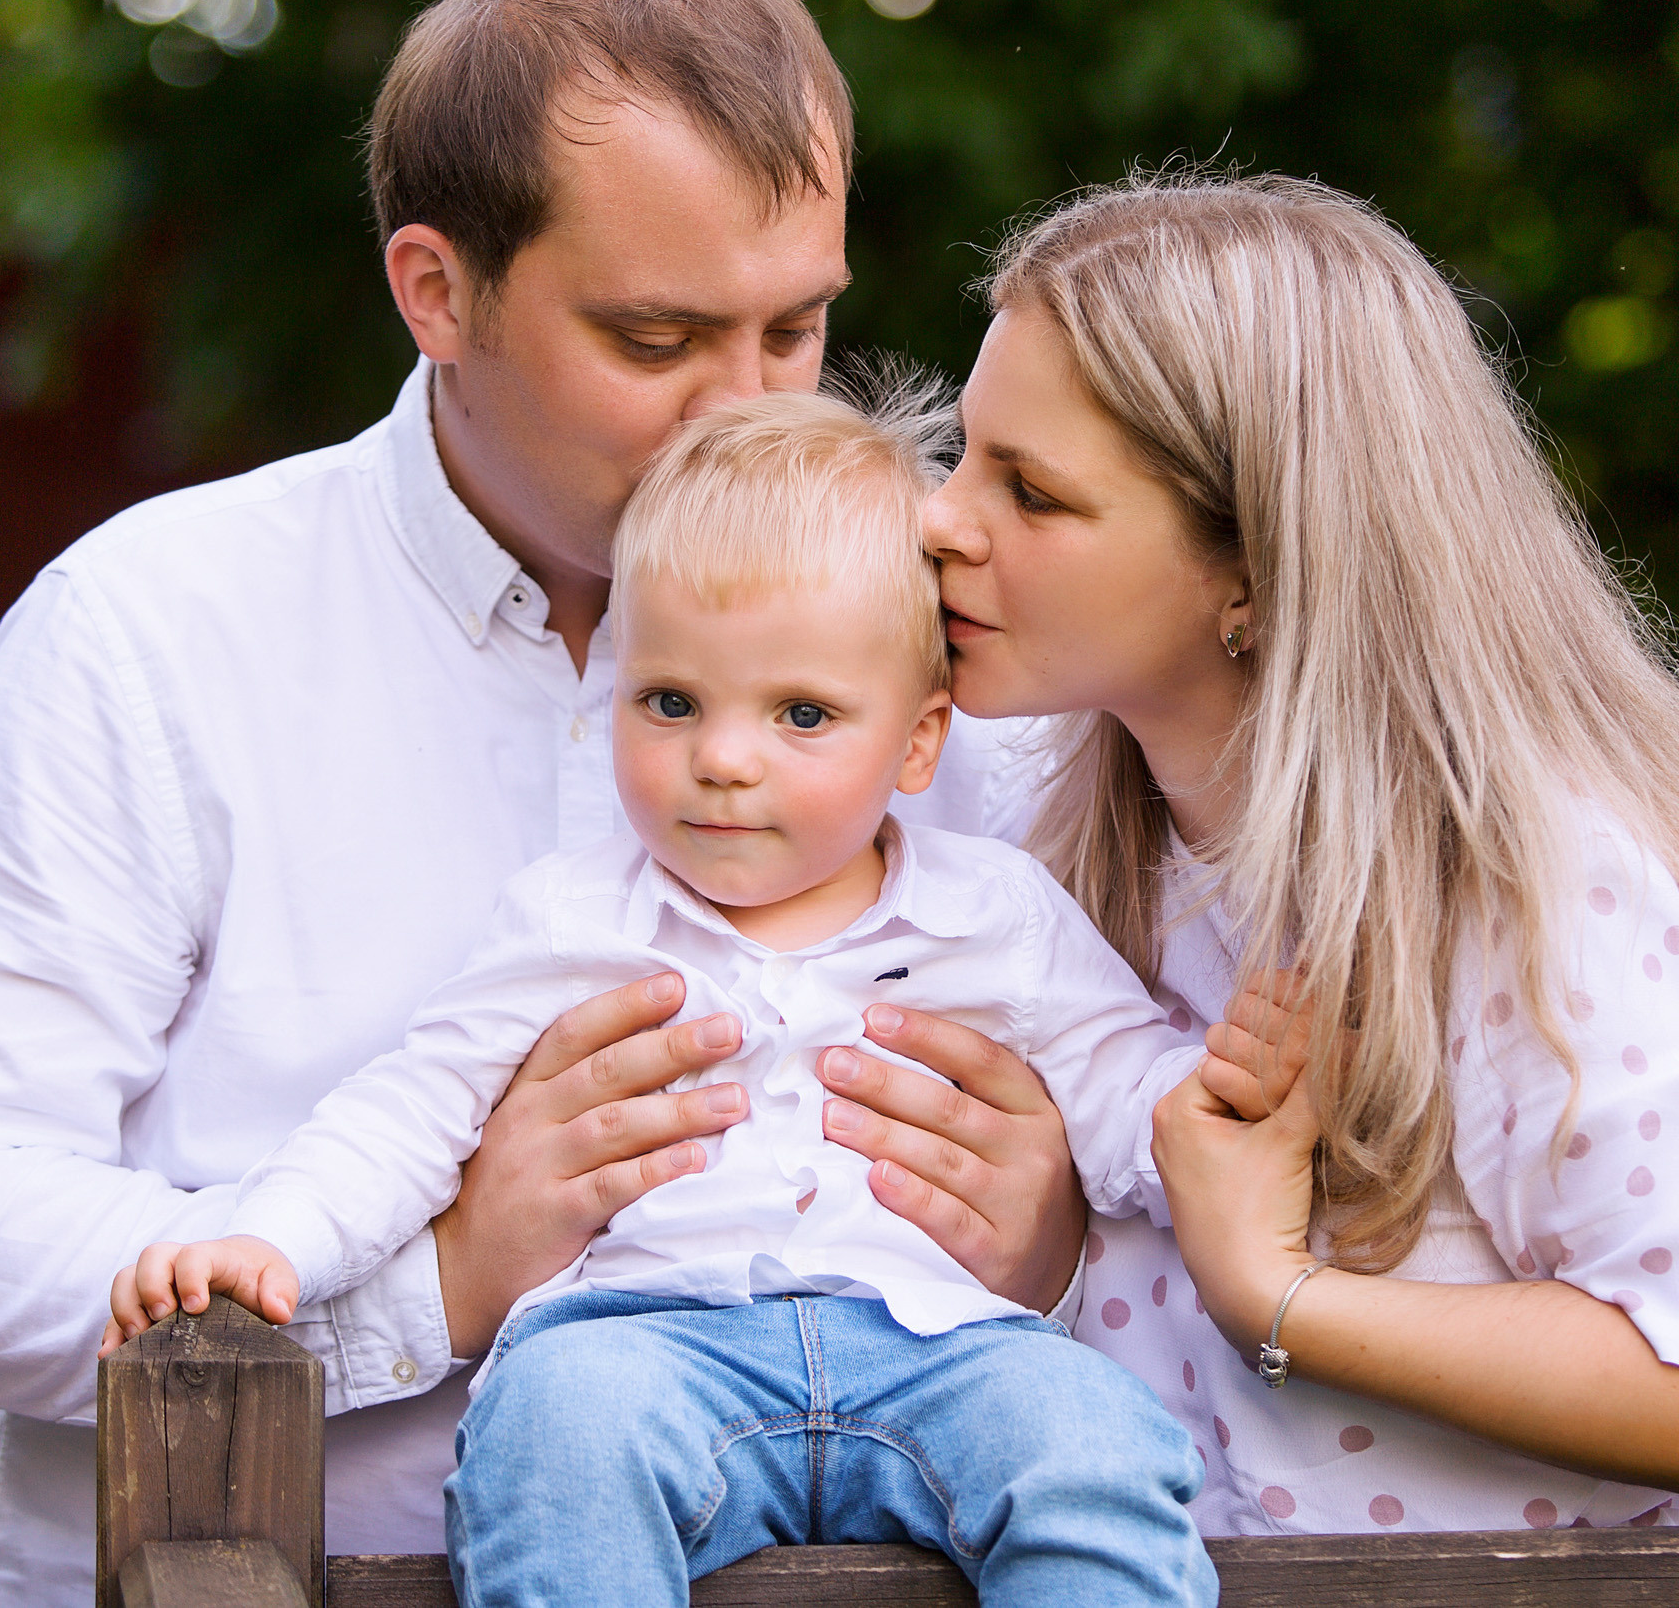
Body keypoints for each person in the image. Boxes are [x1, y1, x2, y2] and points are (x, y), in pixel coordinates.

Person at [0, 0, 1079, 1600]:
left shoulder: (954, 639)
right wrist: (434, 1278)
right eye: (659, 334)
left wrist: (1056, 1235)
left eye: (798, 326)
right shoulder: (157, 629)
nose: (750, 411)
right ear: (434, 287)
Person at [918, 172, 1679, 1530]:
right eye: (965, 454)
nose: (942, 518)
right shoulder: (1030, 845)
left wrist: (1280, 1296)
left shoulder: (1520, 883)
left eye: (1032, 492)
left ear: (1256, 576)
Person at [109, 388, 1216, 1606]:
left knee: (1094, 1437)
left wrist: (1236, 1111)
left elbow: (1125, 1082)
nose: (723, 756)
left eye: (801, 713)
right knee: (557, 1429)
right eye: (671, 700)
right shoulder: (575, 918)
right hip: (652, 1336)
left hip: (939, 1343)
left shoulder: (991, 910)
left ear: (916, 743)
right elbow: (411, 1107)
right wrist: (271, 1237)